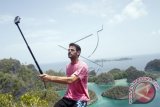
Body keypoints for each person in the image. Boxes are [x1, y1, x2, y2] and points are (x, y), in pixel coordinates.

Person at [39, 43, 90, 107]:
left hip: (81, 99)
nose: (69, 51)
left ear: (78, 53)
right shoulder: (68, 66)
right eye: (68, 50)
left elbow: (70, 80)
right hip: (68, 97)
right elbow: (69, 83)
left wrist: (49, 78)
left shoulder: (83, 66)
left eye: (72, 50)